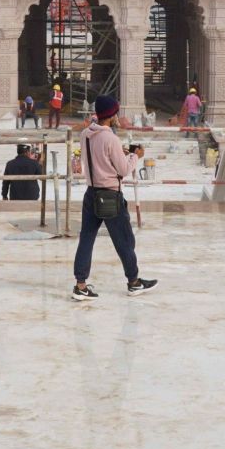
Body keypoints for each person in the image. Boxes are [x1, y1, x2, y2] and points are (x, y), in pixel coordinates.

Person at [71, 95, 156, 301]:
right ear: (111, 115)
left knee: (87, 239)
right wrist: (135, 155)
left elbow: (98, 156)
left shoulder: (85, 134)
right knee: (124, 240)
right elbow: (124, 169)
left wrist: (120, 152)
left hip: (91, 193)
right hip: (109, 195)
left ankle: (80, 285)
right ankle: (134, 282)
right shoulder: (111, 139)